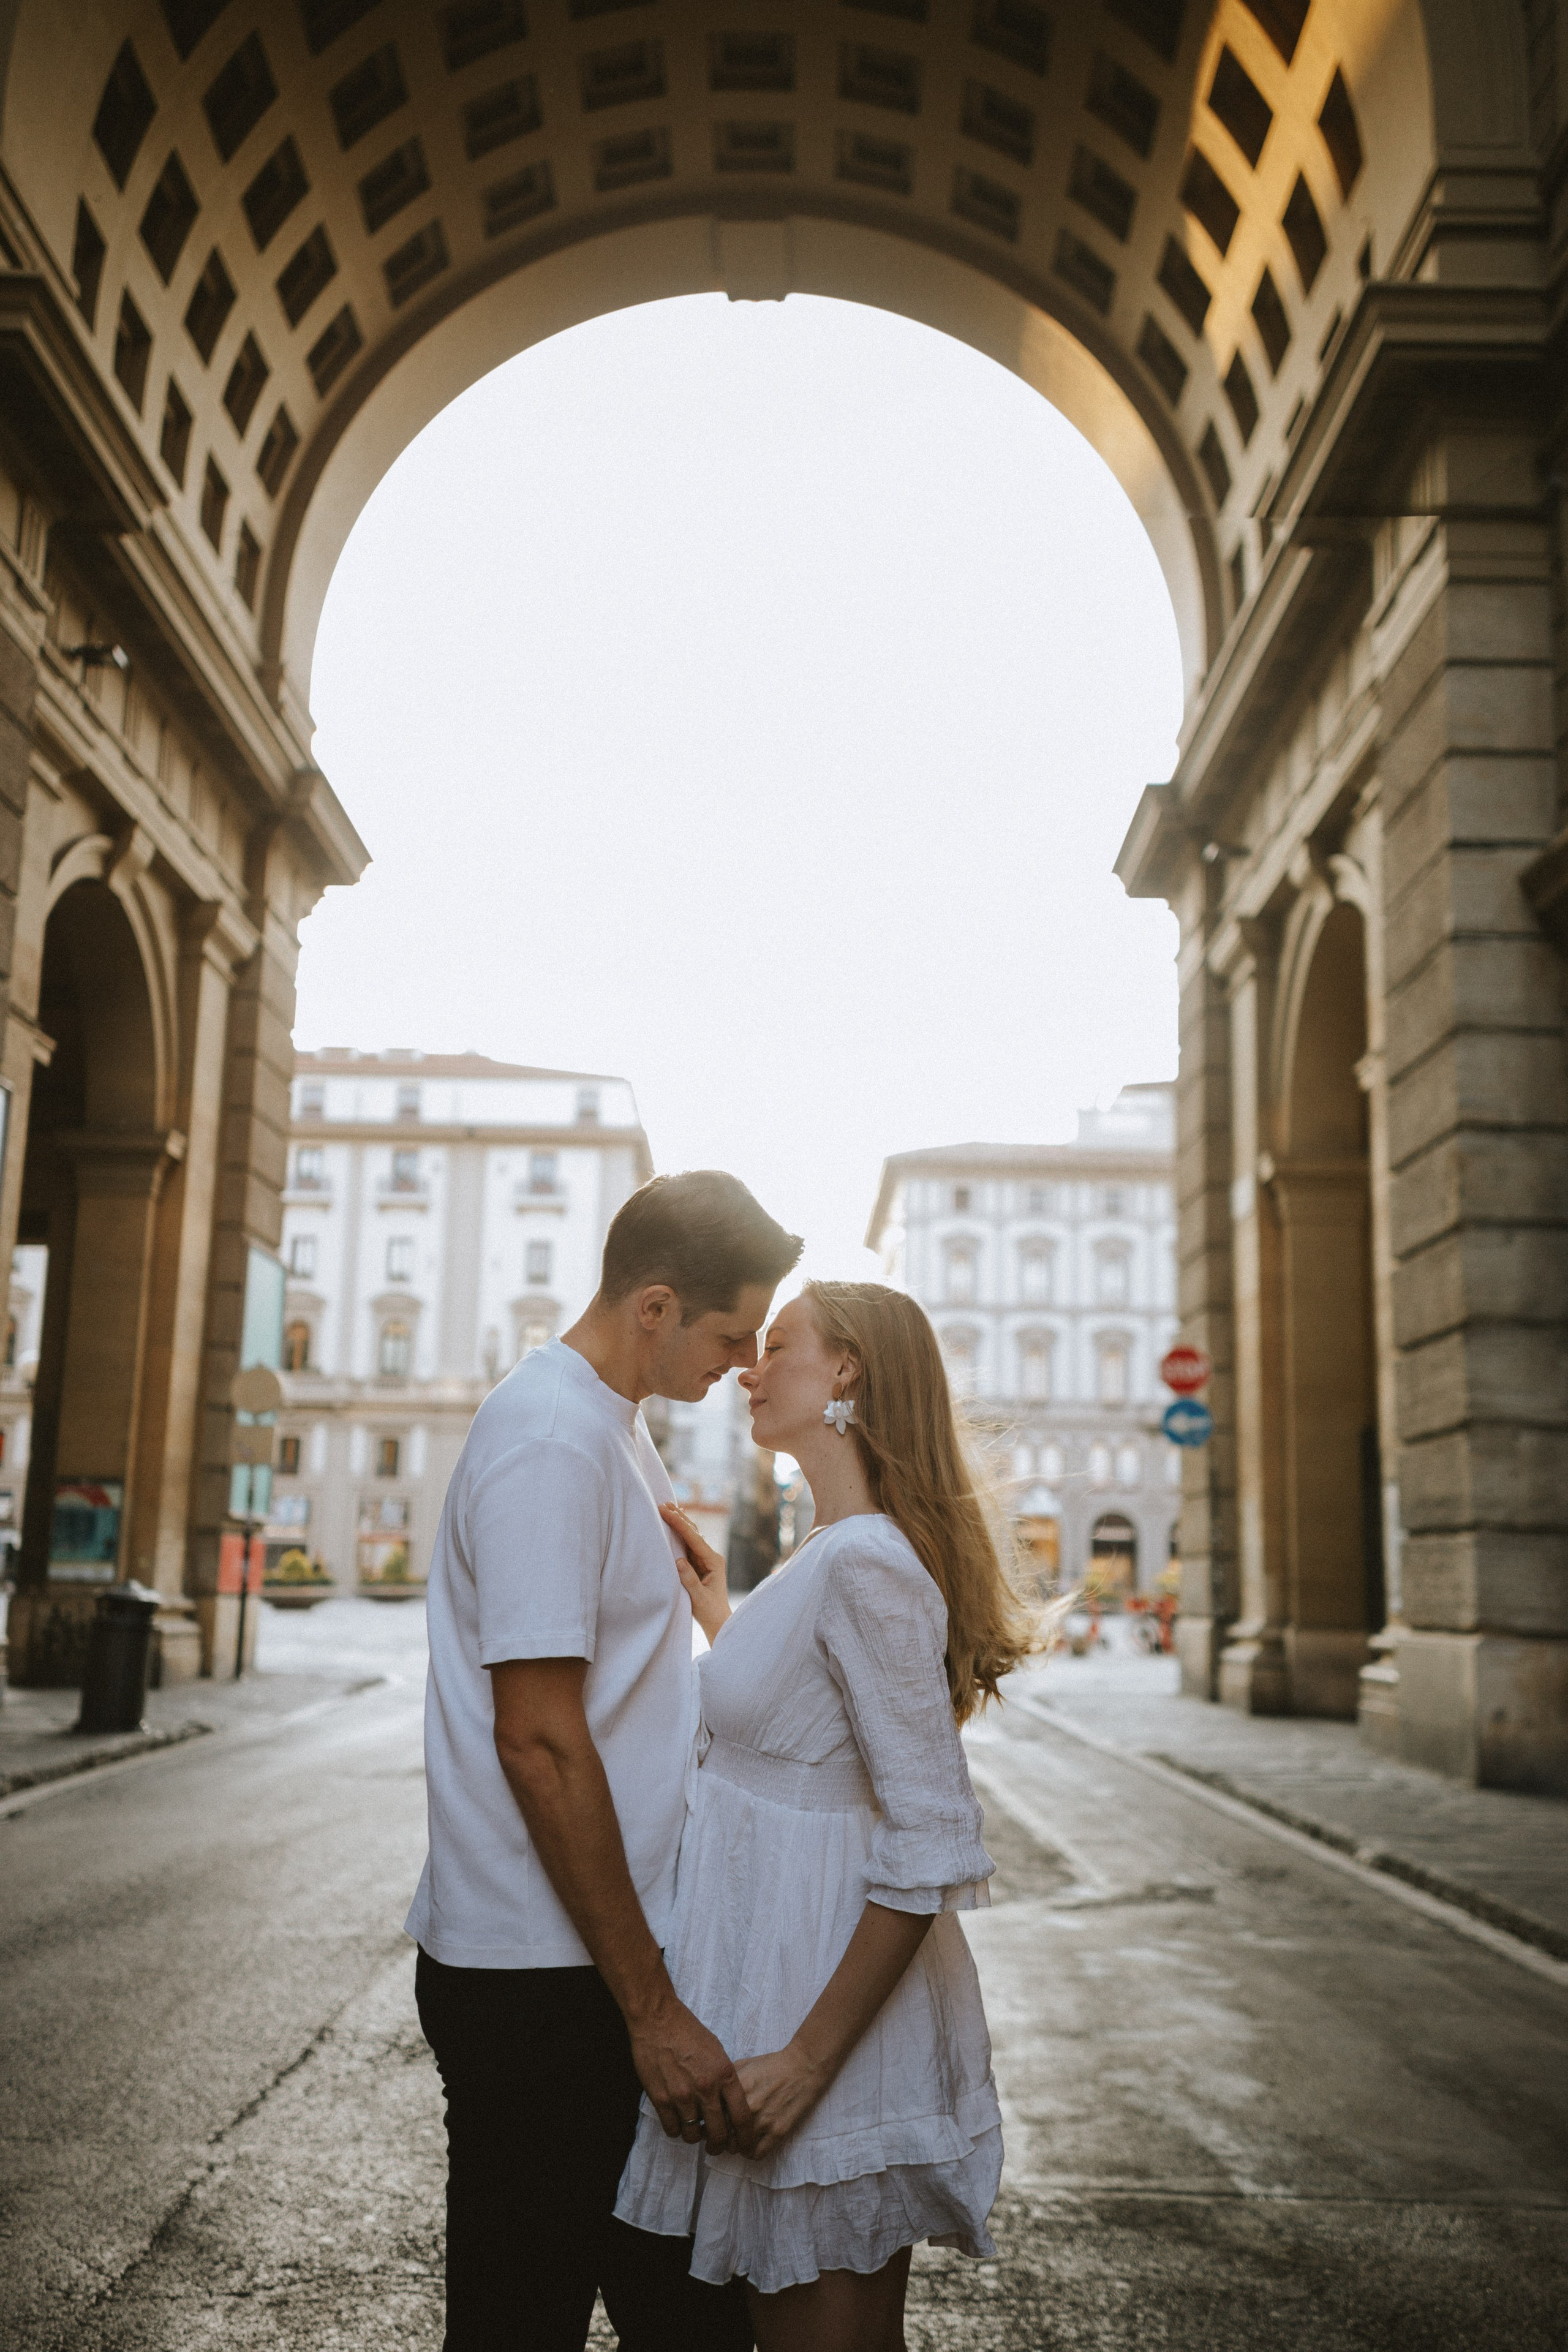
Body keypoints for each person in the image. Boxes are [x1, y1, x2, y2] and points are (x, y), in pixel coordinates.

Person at [407, 1170, 802, 2352]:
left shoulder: (608, 1426)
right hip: (547, 1986)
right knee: (525, 2321)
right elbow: (536, 1736)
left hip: (589, 1969)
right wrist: (653, 2008)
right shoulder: (551, 1440)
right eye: (731, 1333)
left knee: (681, 2319)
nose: (742, 1363)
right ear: (655, 1307)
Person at [616, 1280, 1041, 2352]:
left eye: (782, 1348)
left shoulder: (864, 1561)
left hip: (819, 2006)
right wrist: (724, 1614)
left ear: (846, 1371)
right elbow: (803, 1724)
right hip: (779, 1973)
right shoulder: (833, 1548)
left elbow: (933, 1834)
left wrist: (808, 2058)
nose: (753, 1370)